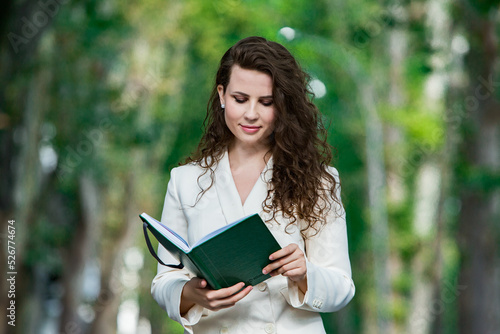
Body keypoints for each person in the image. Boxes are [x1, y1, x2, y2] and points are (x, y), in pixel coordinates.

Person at [151, 36, 355, 334]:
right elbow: (163, 281)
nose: (251, 114)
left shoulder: (319, 181)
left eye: (266, 102)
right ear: (222, 95)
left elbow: (342, 288)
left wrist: (304, 273)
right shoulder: (185, 181)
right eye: (240, 99)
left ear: (283, 104)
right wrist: (192, 294)